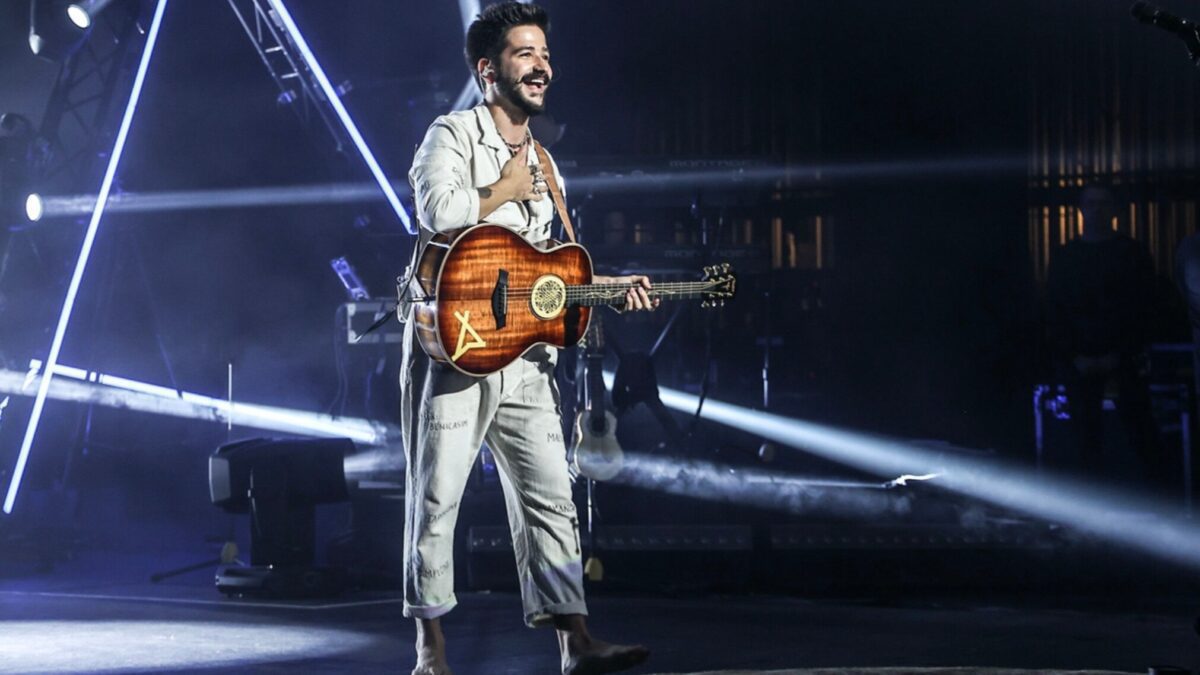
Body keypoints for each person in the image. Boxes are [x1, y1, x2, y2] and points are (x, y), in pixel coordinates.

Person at [400, 4, 653, 674]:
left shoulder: (546, 162)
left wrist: (605, 286)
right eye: (524, 53)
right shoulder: (450, 135)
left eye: (544, 53)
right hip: (457, 343)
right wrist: (501, 188)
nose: (541, 65)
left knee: (551, 499)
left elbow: (554, 264)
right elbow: (437, 211)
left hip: (525, 358)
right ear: (488, 71)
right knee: (436, 498)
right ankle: (430, 651)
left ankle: (576, 642)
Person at [1044, 185, 1164, 483]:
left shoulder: (1132, 254)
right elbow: (1053, 311)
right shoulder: (1065, 257)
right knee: (1086, 439)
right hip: (1083, 360)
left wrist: (1118, 355)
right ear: (1081, 209)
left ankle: (1154, 499)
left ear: (1113, 209)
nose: (1096, 209)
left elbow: (1146, 309)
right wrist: (1075, 355)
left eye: (1102, 203)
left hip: (1120, 359)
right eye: (1091, 204)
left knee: (1140, 435)